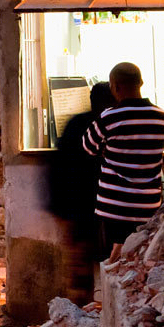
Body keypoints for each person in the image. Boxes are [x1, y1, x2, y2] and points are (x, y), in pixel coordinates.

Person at [80, 62, 164, 250]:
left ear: (115, 86)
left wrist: (108, 148)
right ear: (141, 82)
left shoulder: (109, 117)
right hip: (148, 205)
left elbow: (88, 147)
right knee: (139, 254)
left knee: (116, 256)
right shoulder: (161, 117)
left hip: (114, 207)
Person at [47, 81, 110, 299]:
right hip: (97, 210)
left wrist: (60, 210)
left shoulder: (75, 124)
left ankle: (79, 318)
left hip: (76, 211)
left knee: (80, 273)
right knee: (112, 268)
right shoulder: (108, 127)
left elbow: (58, 168)